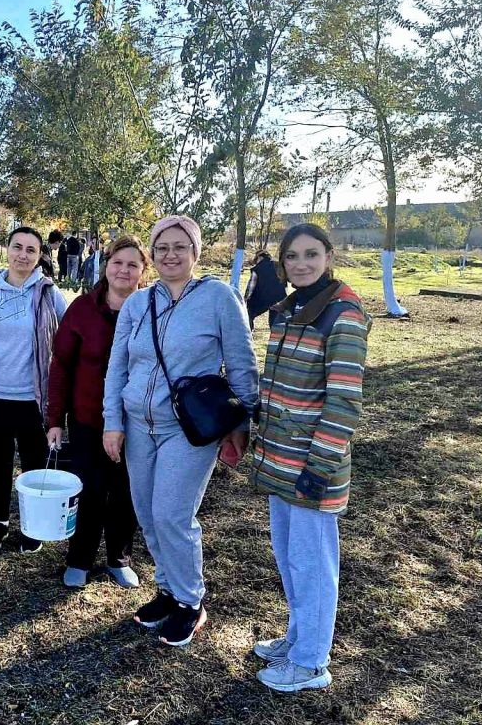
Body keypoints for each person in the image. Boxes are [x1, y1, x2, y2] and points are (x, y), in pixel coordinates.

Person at [103, 215, 258, 647]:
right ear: (152, 254)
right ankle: (168, 590)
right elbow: (118, 367)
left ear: (195, 251)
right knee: (148, 514)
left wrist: (241, 422)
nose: (170, 254)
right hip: (137, 425)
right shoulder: (138, 303)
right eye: (162, 247)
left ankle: (191, 601)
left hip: (186, 429)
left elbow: (242, 365)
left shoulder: (219, 298)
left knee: (173, 514)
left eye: (180, 246)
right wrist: (113, 422)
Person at [249, 223, 371, 693]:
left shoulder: (343, 314)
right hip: (279, 458)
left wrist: (318, 468)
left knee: (314, 565)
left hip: (311, 466)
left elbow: (344, 401)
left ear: (328, 256)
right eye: (293, 256)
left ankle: (311, 664)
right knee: (289, 558)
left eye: (311, 254)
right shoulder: (288, 309)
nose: (301, 263)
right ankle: (299, 639)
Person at [0, 226, 68, 554]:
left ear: (39, 256)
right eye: (17, 247)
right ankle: (0, 522)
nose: (23, 255)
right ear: (6, 250)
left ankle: (32, 525)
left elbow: (68, 340)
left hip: (34, 400)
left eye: (31, 250)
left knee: (34, 463)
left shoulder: (49, 294)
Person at [46, 235, 147, 589]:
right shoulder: (82, 310)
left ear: (142, 271)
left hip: (137, 422)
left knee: (126, 490)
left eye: (133, 264)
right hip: (88, 418)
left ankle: (118, 558)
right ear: (106, 265)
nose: (124, 270)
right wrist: (55, 419)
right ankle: (79, 558)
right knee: (89, 488)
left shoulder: (152, 310)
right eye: (117, 262)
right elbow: (60, 365)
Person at [244, 250, 287, 330]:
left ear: (260, 257)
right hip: (280, 297)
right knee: (275, 322)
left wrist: (245, 299)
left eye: (256, 259)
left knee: (248, 314)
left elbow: (251, 287)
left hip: (262, 298)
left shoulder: (257, 269)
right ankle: (277, 337)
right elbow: (284, 281)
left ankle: (248, 332)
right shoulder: (278, 266)